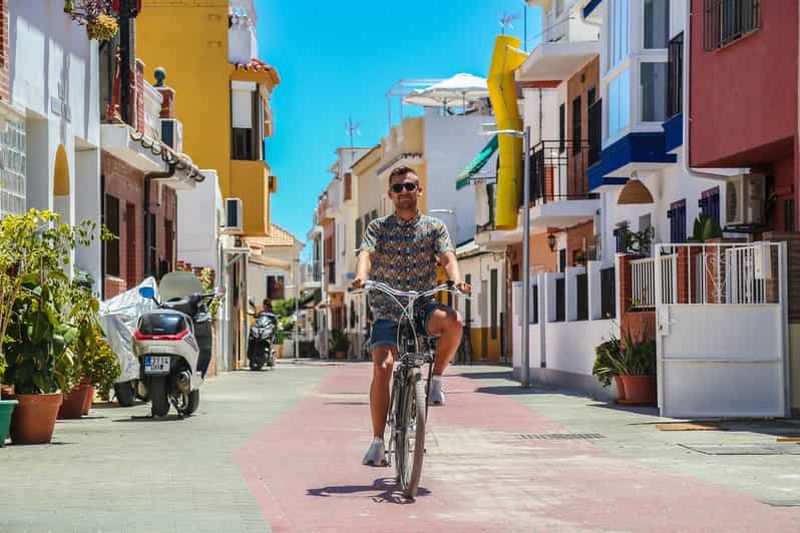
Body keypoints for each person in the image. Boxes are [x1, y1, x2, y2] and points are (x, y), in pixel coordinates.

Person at [353, 165, 470, 466]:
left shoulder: (434, 228)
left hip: (421, 307)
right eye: (397, 188)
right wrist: (360, 277)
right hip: (388, 309)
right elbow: (365, 254)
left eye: (409, 186)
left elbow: (447, 256)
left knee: (454, 321)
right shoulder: (378, 228)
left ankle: (436, 380)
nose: (403, 192)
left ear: (420, 190)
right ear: (390, 194)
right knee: (382, 367)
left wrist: (456, 279)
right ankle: (378, 442)